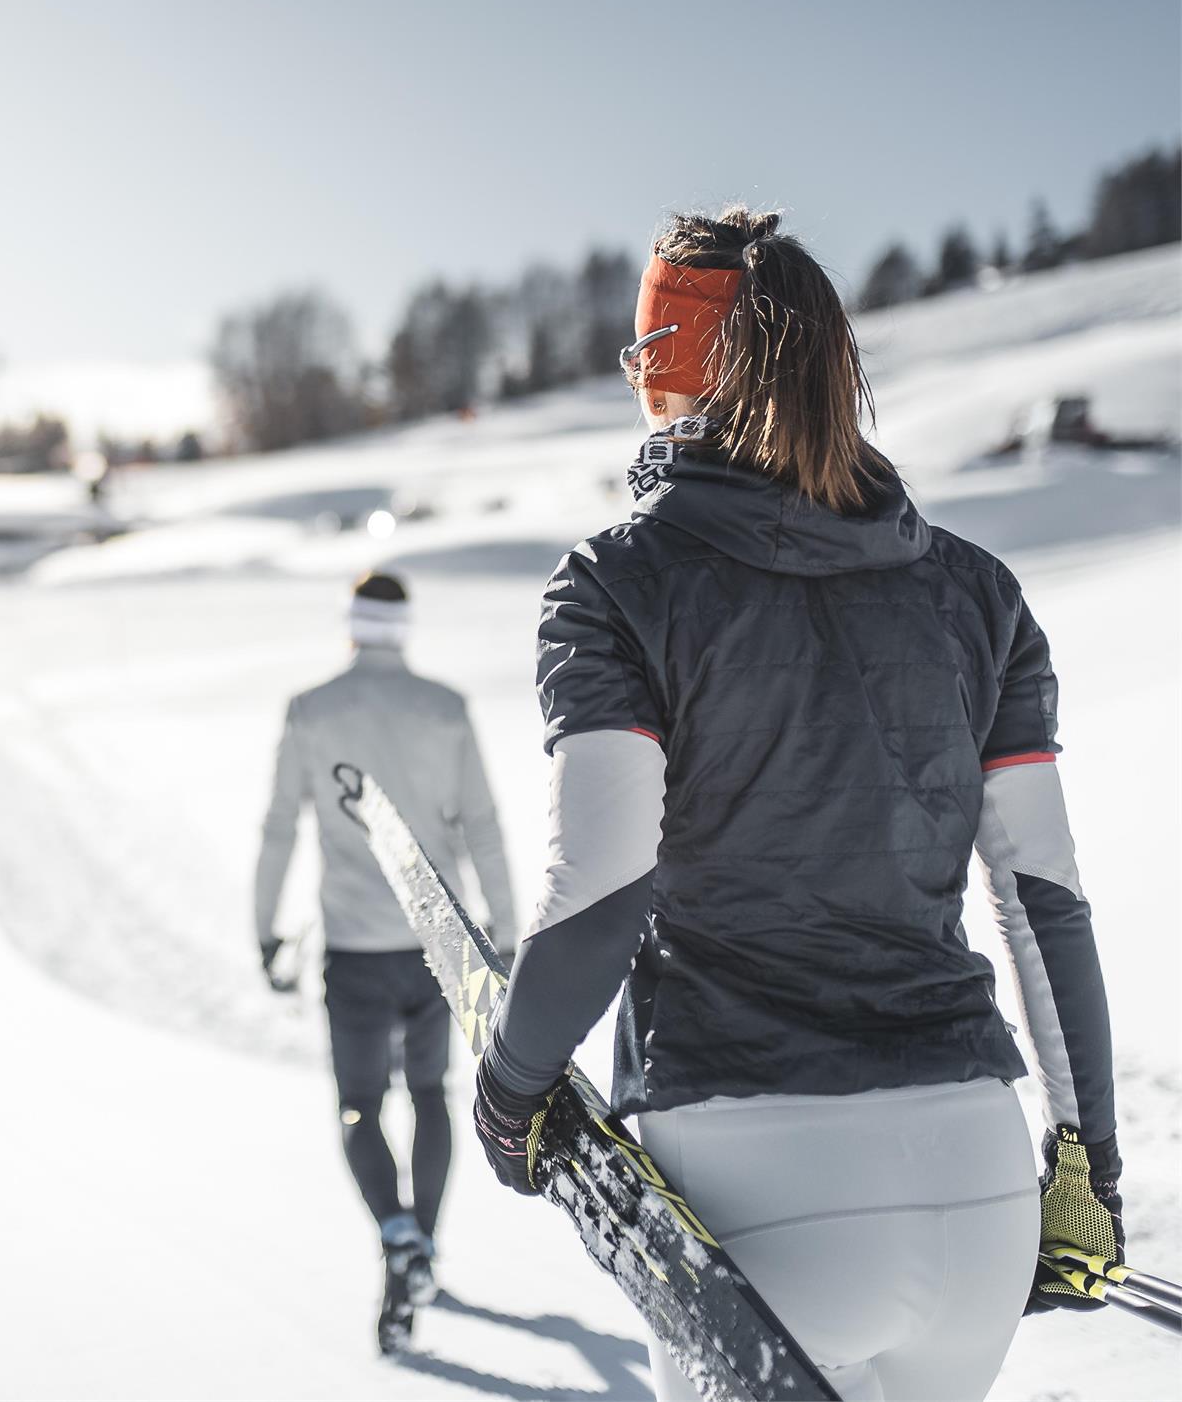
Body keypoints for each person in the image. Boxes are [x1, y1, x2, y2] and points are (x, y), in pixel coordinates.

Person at [472, 206, 1123, 1401]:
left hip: (755, 1192)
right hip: (974, 1194)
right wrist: (1093, 1166)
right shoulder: (979, 593)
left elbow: (606, 885)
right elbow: (1044, 899)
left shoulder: (618, 582)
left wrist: (512, 1089)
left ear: (670, 364)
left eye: (638, 355)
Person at [257, 571, 515, 1348]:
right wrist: (503, 932)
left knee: (360, 1106)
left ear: (352, 625)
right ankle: (425, 1247)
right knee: (430, 1093)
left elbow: (279, 830)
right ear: (403, 628)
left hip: (354, 949)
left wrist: (264, 930)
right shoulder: (446, 709)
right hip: (438, 946)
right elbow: (484, 827)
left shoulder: (311, 710)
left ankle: (396, 1234)